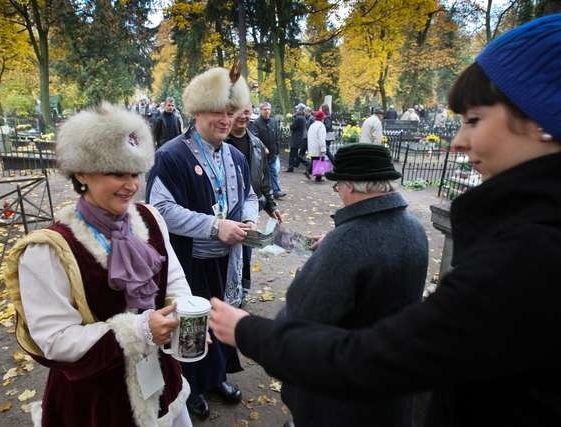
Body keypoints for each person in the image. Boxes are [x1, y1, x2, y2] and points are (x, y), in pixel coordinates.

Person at [208, 14, 561, 427]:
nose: (459, 141)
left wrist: (249, 330)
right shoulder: (414, 226)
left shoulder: (529, 252)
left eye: (474, 119)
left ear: (541, 119)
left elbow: (339, 334)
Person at [4, 103, 192, 427]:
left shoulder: (150, 218)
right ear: (81, 173)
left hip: (161, 382)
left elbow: (174, 280)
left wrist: (184, 314)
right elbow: (55, 340)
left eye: (135, 173)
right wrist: (140, 331)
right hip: (95, 403)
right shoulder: (46, 250)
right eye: (116, 173)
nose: (131, 185)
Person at [282, 143, 428, 426]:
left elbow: (302, 314)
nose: (338, 194)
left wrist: (311, 270)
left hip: (343, 388)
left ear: (349, 186)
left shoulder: (346, 242)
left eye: (337, 187)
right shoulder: (414, 228)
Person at [146, 65, 259, 420]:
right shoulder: (171, 155)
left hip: (229, 259)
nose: (225, 120)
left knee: (220, 319)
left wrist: (250, 216)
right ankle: (187, 387)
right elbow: (159, 209)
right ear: (197, 111)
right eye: (216, 112)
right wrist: (214, 226)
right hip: (189, 261)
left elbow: (250, 194)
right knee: (190, 325)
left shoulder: (236, 156)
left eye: (230, 112)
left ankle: (216, 377)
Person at [226, 103, 283, 305]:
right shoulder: (220, 141)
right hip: (225, 208)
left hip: (250, 206)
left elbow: (263, 178)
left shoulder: (256, 143)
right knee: (225, 252)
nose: (242, 116)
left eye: (247, 112)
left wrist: (271, 206)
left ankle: (242, 288)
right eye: (238, 112)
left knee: (246, 251)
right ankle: (225, 290)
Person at [250, 101, 286, 199]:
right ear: (261, 110)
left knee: (273, 171)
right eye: (265, 109)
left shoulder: (273, 122)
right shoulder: (256, 123)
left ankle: (276, 191)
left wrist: (277, 149)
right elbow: (255, 138)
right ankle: (260, 192)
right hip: (262, 154)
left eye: (268, 109)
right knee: (261, 174)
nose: (267, 111)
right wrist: (263, 148)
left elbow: (277, 136)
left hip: (273, 153)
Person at [305, 110, 327, 182]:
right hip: (318, 146)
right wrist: (323, 148)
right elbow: (322, 138)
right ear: (322, 118)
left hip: (312, 146)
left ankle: (314, 175)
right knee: (320, 161)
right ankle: (318, 177)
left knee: (315, 160)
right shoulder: (321, 126)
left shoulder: (312, 125)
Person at [287, 105, 308, 172]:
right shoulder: (302, 117)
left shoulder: (298, 118)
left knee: (294, 154)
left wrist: (290, 124)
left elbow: (292, 127)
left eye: (297, 109)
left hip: (296, 138)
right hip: (299, 137)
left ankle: (307, 163)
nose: (296, 110)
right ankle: (291, 167)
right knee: (293, 153)